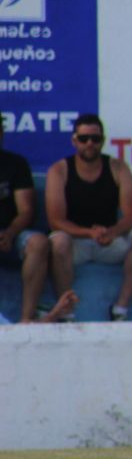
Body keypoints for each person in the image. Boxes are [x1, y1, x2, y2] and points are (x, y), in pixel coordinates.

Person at [44, 114, 132, 321]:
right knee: (58, 241)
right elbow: (55, 220)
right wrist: (88, 232)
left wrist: (111, 232)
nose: (89, 144)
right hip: (75, 243)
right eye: (84, 138)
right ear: (74, 140)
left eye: (95, 139)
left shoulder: (118, 167)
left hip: (109, 241)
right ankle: (66, 310)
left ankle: (120, 308)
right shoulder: (59, 170)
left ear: (103, 141)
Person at [0, 114, 51, 322]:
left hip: (11, 237)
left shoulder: (16, 163)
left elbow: (26, 210)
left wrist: (10, 233)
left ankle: (27, 319)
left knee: (39, 243)